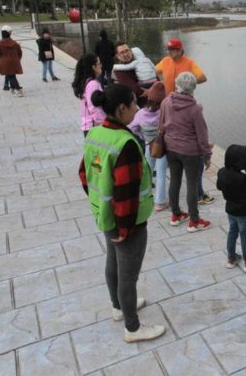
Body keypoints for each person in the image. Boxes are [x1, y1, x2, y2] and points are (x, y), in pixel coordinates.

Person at [78, 83, 166, 343]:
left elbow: (84, 174)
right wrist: (125, 228)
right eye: (133, 104)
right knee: (128, 276)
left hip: (105, 215)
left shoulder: (95, 133)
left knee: (113, 262)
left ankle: (118, 307)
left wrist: (98, 203)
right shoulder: (125, 144)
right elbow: (125, 193)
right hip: (128, 222)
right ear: (121, 109)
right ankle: (133, 328)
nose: (137, 109)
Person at [154, 38, 212, 204]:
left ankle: (199, 193)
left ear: (180, 50)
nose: (171, 52)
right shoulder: (165, 61)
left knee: (191, 150)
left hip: (185, 107)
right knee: (183, 153)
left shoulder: (189, 62)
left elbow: (203, 77)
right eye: (169, 49)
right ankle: (196, 195)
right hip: (170, 106)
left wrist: (188, 83)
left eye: (174, 49)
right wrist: (161, 82)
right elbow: (155, 70)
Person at [160, 71, 212, 232]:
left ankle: (176, 214)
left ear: (177, 85)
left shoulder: (166, 102)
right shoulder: (195, 109)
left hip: (171, 148)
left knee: (174, 180)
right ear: (193, 88)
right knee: (192, 185)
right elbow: (202, 136)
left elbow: (160, 124)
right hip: (190, 152)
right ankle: (194, 221)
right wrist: (207, 156)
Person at [216, 144, 246, 273]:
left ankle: (231, 258)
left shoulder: (221, 172)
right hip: (243, 211)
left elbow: (219, 186)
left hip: (230, 209)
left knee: (232, 232)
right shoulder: (242, 178)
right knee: (244, 236)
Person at [128, 81, 169, 212]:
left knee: (147, 171)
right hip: (162, 148)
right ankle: (160, 202)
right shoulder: (164, 113)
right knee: (161, 173)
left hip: (148, 145)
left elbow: (132, 128)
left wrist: (143, 136)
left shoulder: (140, 114)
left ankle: (142, 195)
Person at [72, 54, 106, 137]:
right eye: (99, 63)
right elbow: (94, 107)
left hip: (89, 126)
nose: (101, 65)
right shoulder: (92, 84)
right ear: (93, 67)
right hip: (95, 127)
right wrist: (104, 123)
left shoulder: (86, 82)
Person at [113, 42, 147, 108]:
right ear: (117, 56)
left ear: (131, 51)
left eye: (127, 51)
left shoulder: (139, 63)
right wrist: (151, 91)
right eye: (122, 52)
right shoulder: (119, 70)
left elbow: (155, 78)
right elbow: (135, 89)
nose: (126, 54)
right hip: (139, 105)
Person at [0, 25, 24, 97]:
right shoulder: (15, 43)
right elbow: (20, 52)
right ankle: (12, 88)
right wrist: (18, 59)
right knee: (12, 75)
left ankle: (19, 90)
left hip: (5, 63)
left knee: (11, 76)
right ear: (9, 33)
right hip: (14, 61)